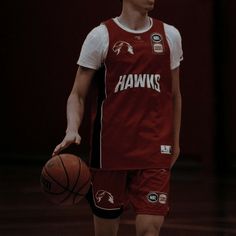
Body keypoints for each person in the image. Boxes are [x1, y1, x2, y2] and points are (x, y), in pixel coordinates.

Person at [53, 0, 183, 235]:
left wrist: (175, 142)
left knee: (149, 230)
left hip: (154, 150)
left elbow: (174, 96)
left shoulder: (169, 35)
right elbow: (77, 94)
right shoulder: (100, 36)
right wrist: (72, 129)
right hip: (110, 154)